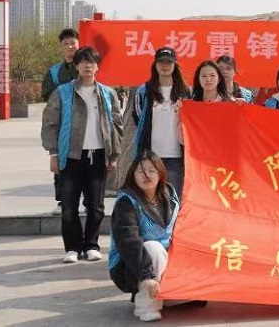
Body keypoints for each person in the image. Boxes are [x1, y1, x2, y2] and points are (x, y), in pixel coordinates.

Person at [41, 46, 123, 264]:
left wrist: (114, 155)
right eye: (83, 62)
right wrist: (53, 153)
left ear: (97, 66)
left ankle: (91, 245)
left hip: (98, 156)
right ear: (76, 66)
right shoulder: (62, 92)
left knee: (96, 207)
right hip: (70, 157)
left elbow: (117, 125)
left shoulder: (108, 94)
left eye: (92, 62)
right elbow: (50, 124)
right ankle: (72, 248)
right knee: (69, 207)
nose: (88, 65)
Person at [109, 152, 179, 322]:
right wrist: (146, 275)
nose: (146, 175)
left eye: (151, 171)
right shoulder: (126, 202)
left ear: (160, 173)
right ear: (133, 175)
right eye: (140, 171)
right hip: (132, 263)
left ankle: (162, 294)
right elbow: (128, 242)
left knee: (193, 297)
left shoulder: (170, 195)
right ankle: (147, 306)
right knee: (153, 248)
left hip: (167, 259)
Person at [132, 47, 191, 200]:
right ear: (155, 65)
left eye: (169, 62)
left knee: (174, 199)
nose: (165, 66)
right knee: (150, 199)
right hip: (151, 155)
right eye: (161, 62)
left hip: (176, 156)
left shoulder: (186, 92)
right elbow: (138, 118)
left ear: (175, 65)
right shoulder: (144, 91)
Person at [41, 28, 81, 216]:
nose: (70, 47)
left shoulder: (88, 66)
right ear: (61, 48)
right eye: (66, 44)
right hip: (64, 124)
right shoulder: (54, 72)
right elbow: (50, 100)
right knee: (62, 162)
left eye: (73, 43)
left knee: (88, 165)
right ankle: (62, 201)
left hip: (87, 124)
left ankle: (87, 201)